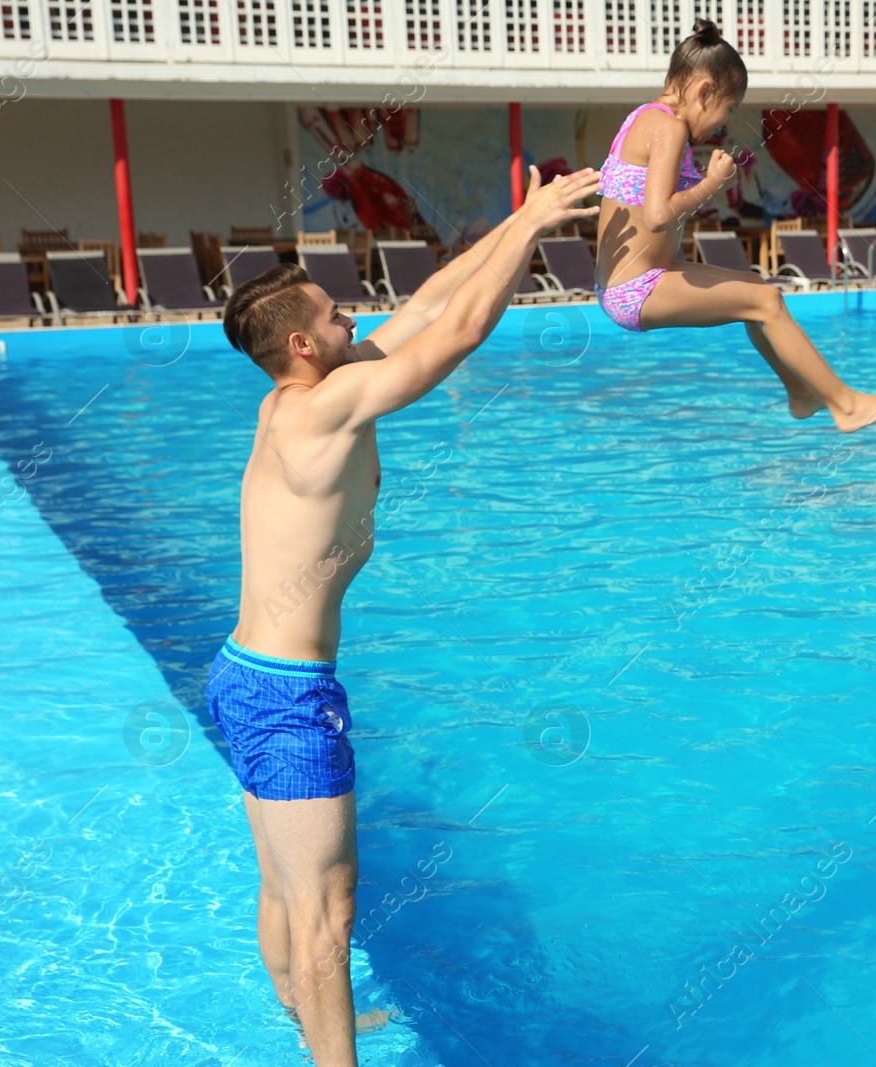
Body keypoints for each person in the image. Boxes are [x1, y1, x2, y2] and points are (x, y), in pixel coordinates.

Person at [208, 166, 601, 1067]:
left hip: (246, 669)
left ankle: (305, 1020)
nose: (357, 318)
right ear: (304, 343)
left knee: (285, 880)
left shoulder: (299, 394)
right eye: (337, 313)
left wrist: (527, 217)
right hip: (286, 693)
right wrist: (538, 230)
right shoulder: (329, 408)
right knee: (331, 907)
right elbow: (460, 330)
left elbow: (430, 300)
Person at [593, 18, 876, 434]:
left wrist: (706, 186)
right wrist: (711, 183)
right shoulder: (669, 128)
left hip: (636, 278)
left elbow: (649, 212)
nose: (724, 123)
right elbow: (657, 216)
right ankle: (847, 406)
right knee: (767, 303)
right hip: (636, 288)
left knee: (758, 288)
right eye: (729, 108)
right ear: (704, 91)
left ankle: (801, 395)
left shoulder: (643, 118)